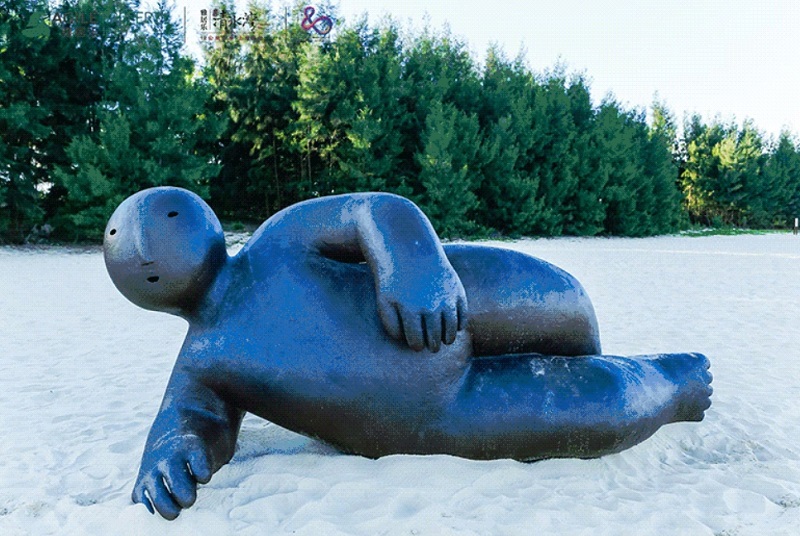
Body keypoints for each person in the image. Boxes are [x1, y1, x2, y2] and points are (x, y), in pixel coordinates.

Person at [104, 187, 712, 520]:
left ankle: (612, 355)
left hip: (444, 299)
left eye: (163, 219)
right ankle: (675, 382)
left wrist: (411, 265)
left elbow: (376, 210)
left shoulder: (280, 239)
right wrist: (174, 454)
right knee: (605, 406)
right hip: (439, 414)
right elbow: (191, 420)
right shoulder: (204, 363)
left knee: (560, 301)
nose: (146, 246)